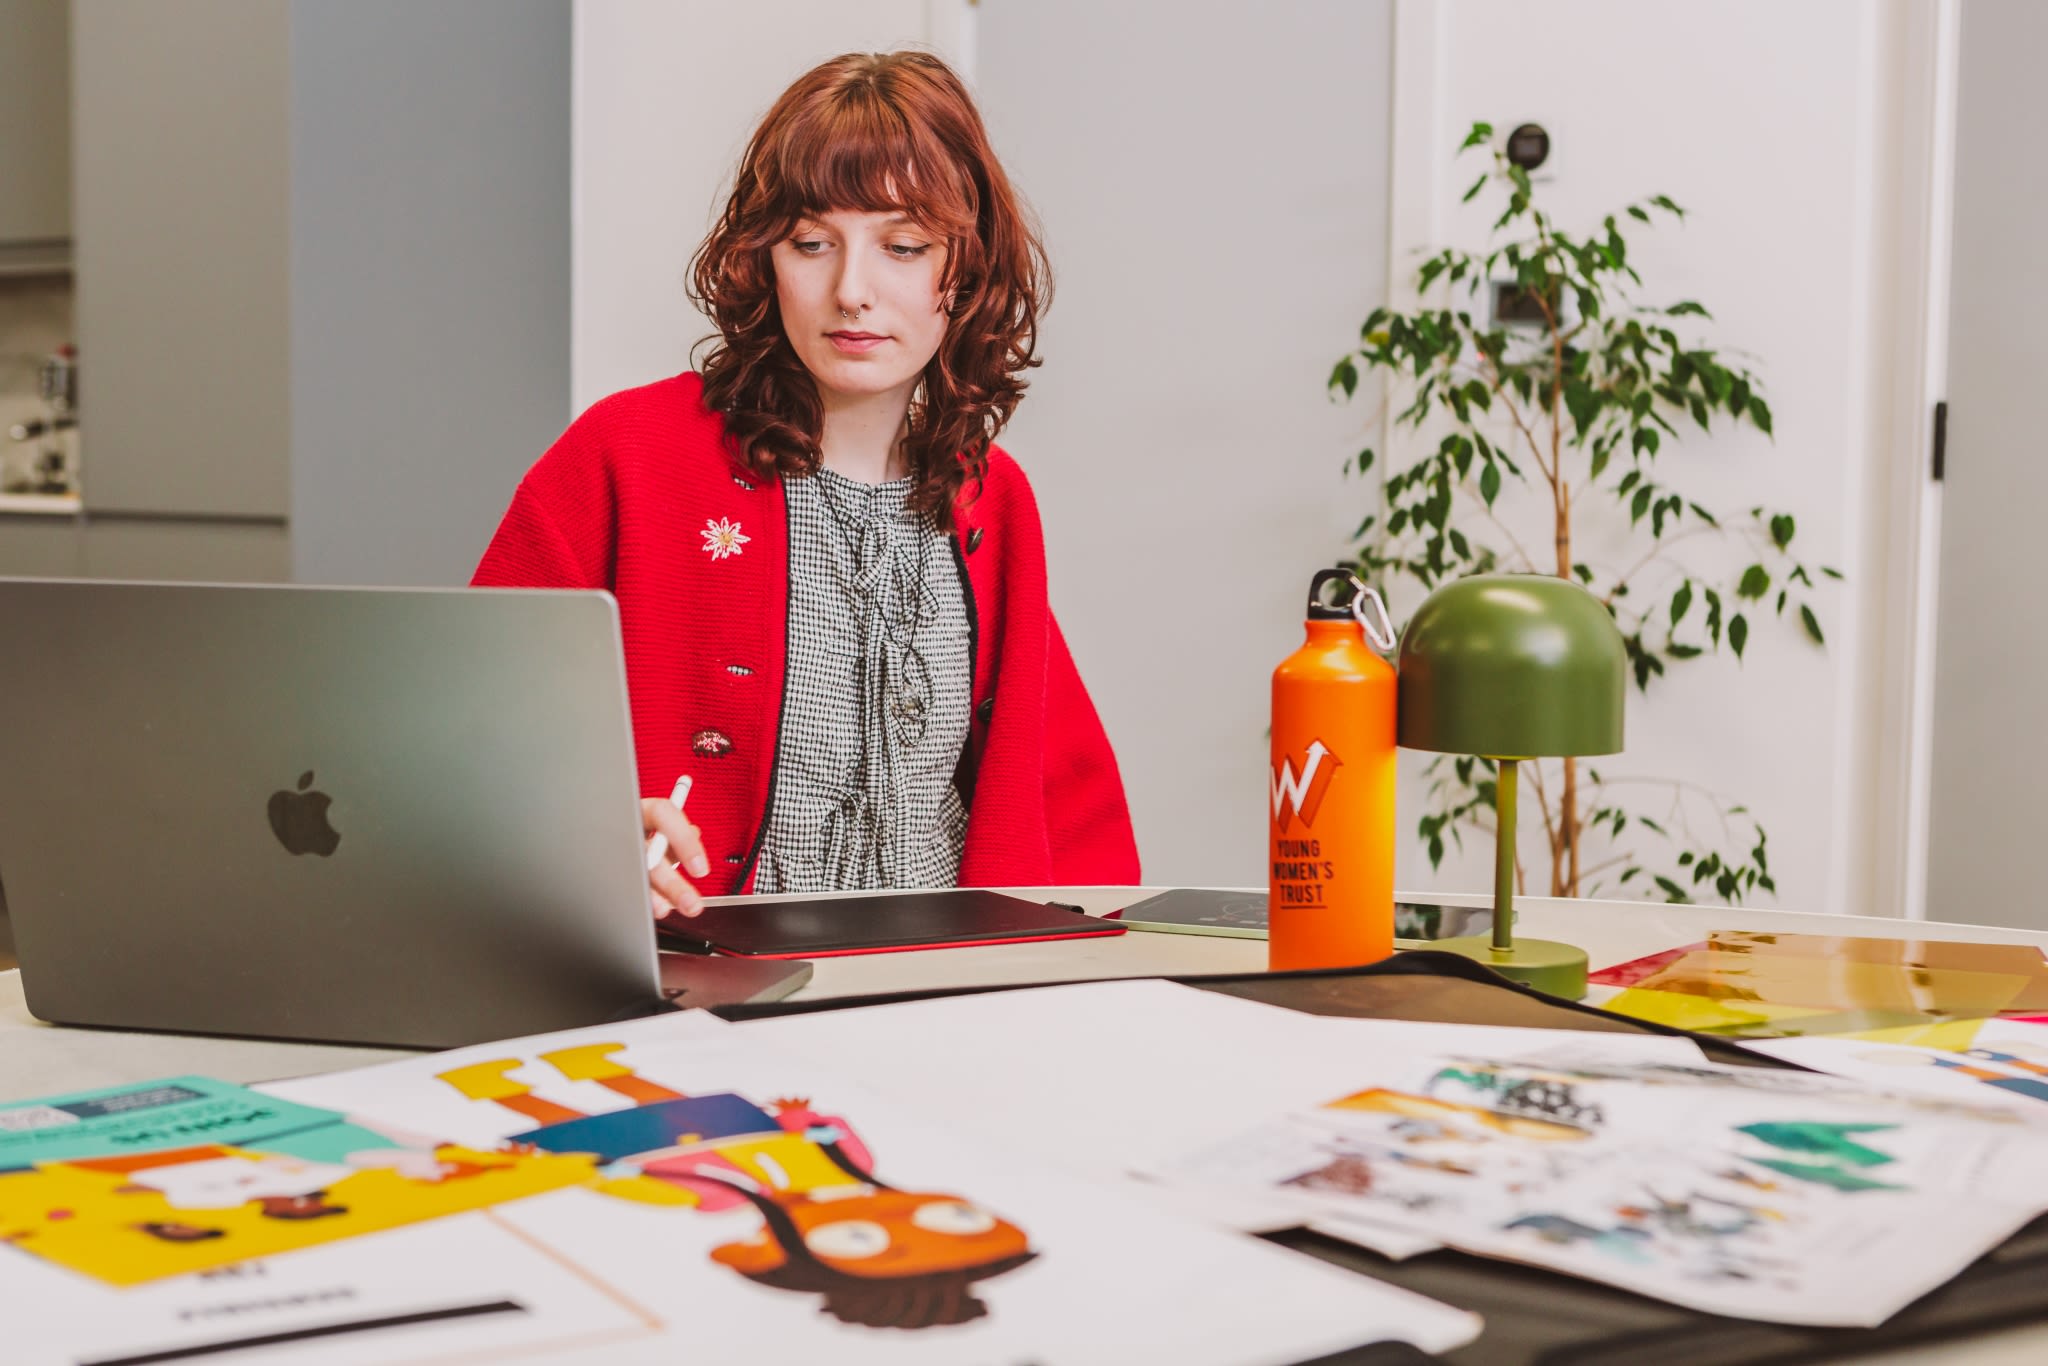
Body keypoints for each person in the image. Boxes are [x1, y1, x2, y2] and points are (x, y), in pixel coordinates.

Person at [473, 51, 1138, 919]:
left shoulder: (992, 500)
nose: (851, 291)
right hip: (698, 1000)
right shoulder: (626, 455)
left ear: (966, 272)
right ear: (764, 260)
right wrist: (581, 840)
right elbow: (467, 744)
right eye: (811, 243)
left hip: (944, 999)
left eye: (902, 247)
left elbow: (1063, 813)